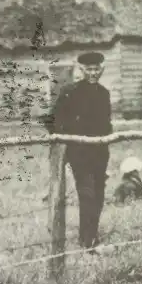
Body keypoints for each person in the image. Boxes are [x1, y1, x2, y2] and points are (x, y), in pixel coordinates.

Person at [48, 51, 112, 253]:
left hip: (100, 153)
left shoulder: (104, 93)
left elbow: (107, 124)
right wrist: (67, 140)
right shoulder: (70, 92)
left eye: (96, 69)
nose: (93, 73)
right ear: (82, 70)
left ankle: (91, 234)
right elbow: (52, 121)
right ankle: (88, 241)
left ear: (101, 70)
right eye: (89, 69)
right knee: (87, 194)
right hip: (79, 154)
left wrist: (107, 138)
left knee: (99, 195)